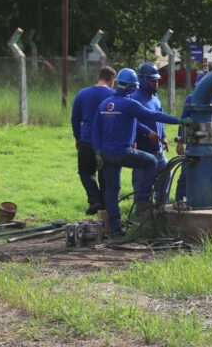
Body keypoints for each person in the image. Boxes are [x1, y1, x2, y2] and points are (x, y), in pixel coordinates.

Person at [92, 68, 182, 238]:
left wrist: (97, 152)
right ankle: (143, 200)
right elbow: (153, 115)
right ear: (134, 86)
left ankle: (115, 230)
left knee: (111, 190)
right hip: (123, 152)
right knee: (150, 162)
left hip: (106, 155)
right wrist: (179, 120)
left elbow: (96, 130)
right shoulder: (129, 103)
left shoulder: (105, 104)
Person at [174, 71, 212, 202]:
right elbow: (184, 120)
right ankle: (180, 201)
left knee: (210, 174)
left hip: (211, 145)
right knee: (186, 175)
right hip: (192, 143)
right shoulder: (190, 99)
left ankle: (207, 199)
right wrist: (180, 142)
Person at [70, 66, 116, 215]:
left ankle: (95, 200)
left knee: (85, 172)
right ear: (112, 80)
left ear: (99, 77)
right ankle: (105, 207)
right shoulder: (114, 95)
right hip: (107, 141)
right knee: (105, 175)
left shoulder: (82, 94)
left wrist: (78, 137)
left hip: (87, 139)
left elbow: (75, 119)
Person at [131, 62, 170, 207]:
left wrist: (164, 136)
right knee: (142, 186)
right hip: (143, 151)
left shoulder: (156, 98)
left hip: (159, 151)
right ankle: (142, 217)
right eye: (153, 80)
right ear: (142, 80)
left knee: (166, 178)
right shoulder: (134, 98)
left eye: (157, 80)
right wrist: (147, 133)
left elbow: (160, 118)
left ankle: (162, 211)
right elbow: (132, 121)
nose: (157, 83)